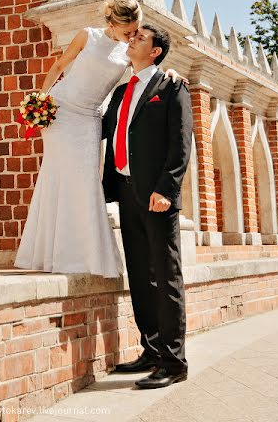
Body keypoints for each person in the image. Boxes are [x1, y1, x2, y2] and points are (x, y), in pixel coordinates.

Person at [14, 0, 182, 278]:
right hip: (62, 112)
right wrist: (39, 102)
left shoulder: (127, 52)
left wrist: (170, 73)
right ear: (111, 23)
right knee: (55, 177)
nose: (132, 38)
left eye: (136, 32)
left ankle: (86, 257)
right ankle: (49, 254)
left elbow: (148, 70)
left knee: (86, 181)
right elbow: (58, 67)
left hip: (89, 118)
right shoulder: (87, 36)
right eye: (127, 32)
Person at [102, 23, 192, 389]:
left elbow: (180, 142)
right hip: (125, 192)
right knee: (140, 275)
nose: (132, 40)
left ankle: (174, 361)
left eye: (140, 38)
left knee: (166, 276)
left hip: (157, 196)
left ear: (155, 51)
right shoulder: (123, 90)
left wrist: (166, 189)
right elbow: (104, 128)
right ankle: (152, 350)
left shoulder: (171, 86)